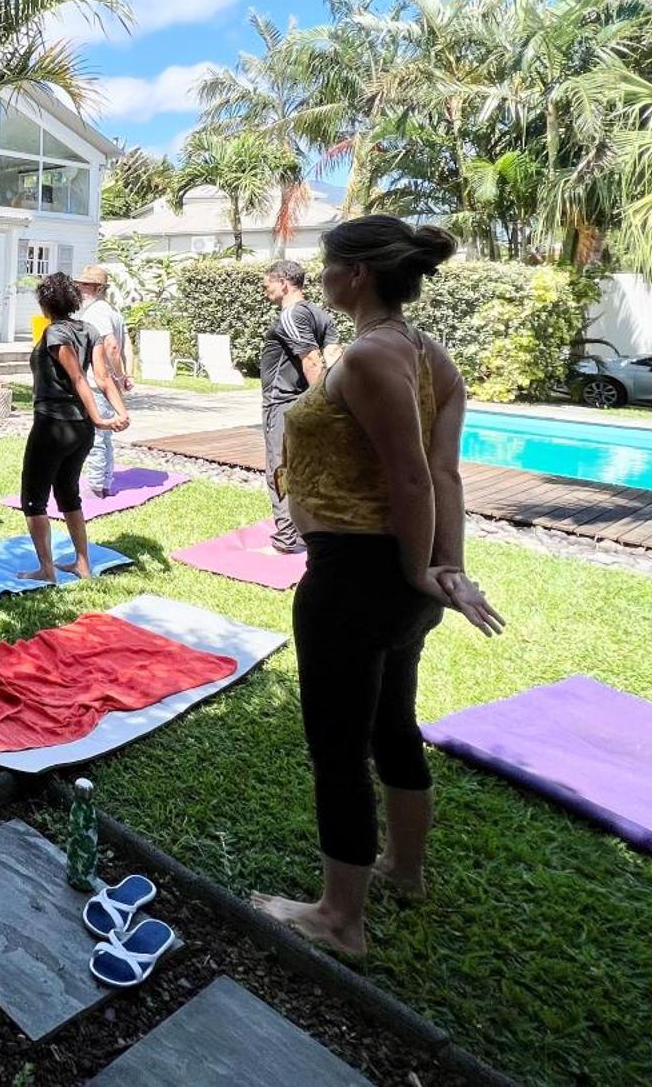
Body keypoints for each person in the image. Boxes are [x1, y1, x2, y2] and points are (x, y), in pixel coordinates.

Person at [253, 216, 504, 955]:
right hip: (400, 578)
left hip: (356, 577)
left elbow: (413, 475)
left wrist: (415, 568)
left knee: (337, 745)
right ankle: (405, 870)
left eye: (327, 266)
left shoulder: (367, 359)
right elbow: (446, 473)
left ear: (354, 275)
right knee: (392, 726)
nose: (321, 277)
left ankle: (339, 918)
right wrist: (440, 568)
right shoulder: (432, 355)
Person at [17, 272, 128, 582]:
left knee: (33, 498)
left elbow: (80, 377)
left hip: (54, 425)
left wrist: (100, 417)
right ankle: (82, 564)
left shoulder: (55, 334)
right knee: (68, 493)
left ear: (45, 304)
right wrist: (121, 411)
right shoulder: (89, 330)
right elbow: (103, 378)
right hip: (80, 430)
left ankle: (46, 569)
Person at [258, 259, 336, 553]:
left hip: (284, 405)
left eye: (268, 284)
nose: (265, 289)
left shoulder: (290, 314)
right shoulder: (320, 314)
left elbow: (312, 359)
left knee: (280, 468)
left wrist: (321, 403)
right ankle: (306, 532)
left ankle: (288, 538)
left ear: (284, 283)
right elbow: (335, 355)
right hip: (302, 404)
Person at [74, 264, 131, 495]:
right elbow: (128, 344)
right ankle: (105, 482)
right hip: (108, 381)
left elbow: (113, 346)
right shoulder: (113, 311)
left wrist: (118, 374)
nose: (80, 289)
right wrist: (127, 375)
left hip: (99, 381)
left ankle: (97, 484)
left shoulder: (98, 312)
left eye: (84, 285)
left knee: (97, 434)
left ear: (97, 288)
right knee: (106, 435)